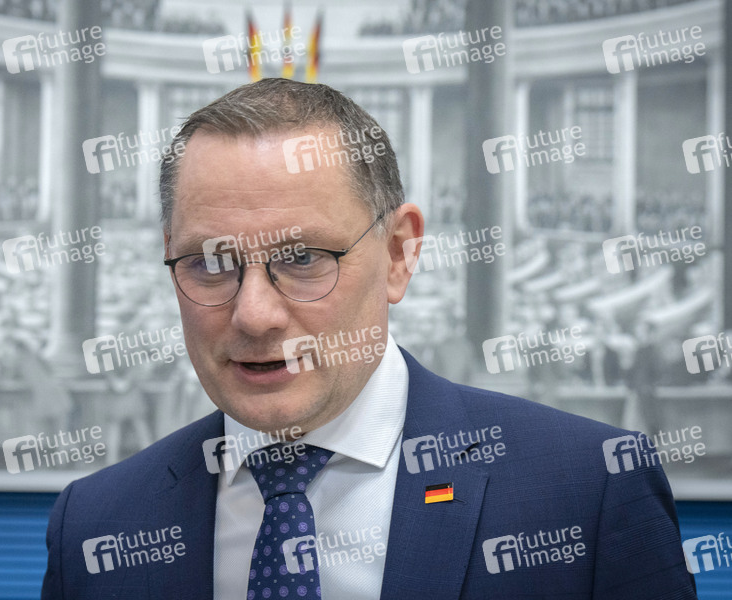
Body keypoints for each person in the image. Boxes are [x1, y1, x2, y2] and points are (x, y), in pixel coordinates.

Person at [41, 78, 696, 599]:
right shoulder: (96, 526)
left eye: (303, 258)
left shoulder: (587, 492)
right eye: (210, 263)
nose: (255, 315)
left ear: (399, 253)